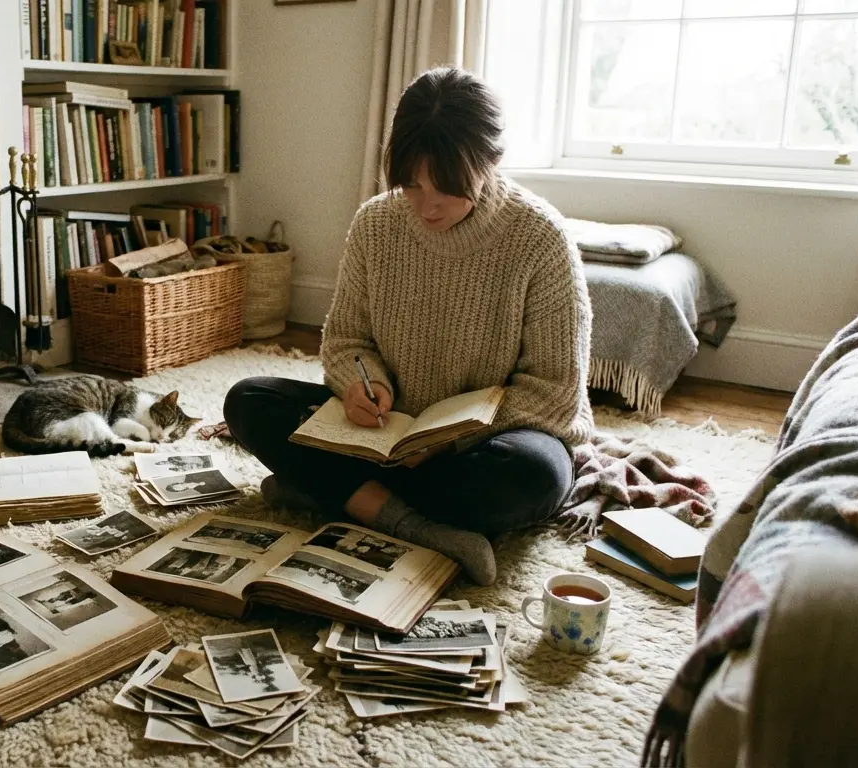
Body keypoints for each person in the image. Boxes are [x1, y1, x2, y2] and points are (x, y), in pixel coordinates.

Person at [224, 67, 592, 586]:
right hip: (382, 435)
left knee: (536, 474)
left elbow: (554, 392)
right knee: (248, 399)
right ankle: (414, 524)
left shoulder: (541, 239)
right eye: (412, 184)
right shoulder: (376, 224)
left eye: (446, 186)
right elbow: (348, 340)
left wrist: (451, 439)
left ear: (491, 161)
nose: (427, 205)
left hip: (475, 451)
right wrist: (361, 383)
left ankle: (328, 492)